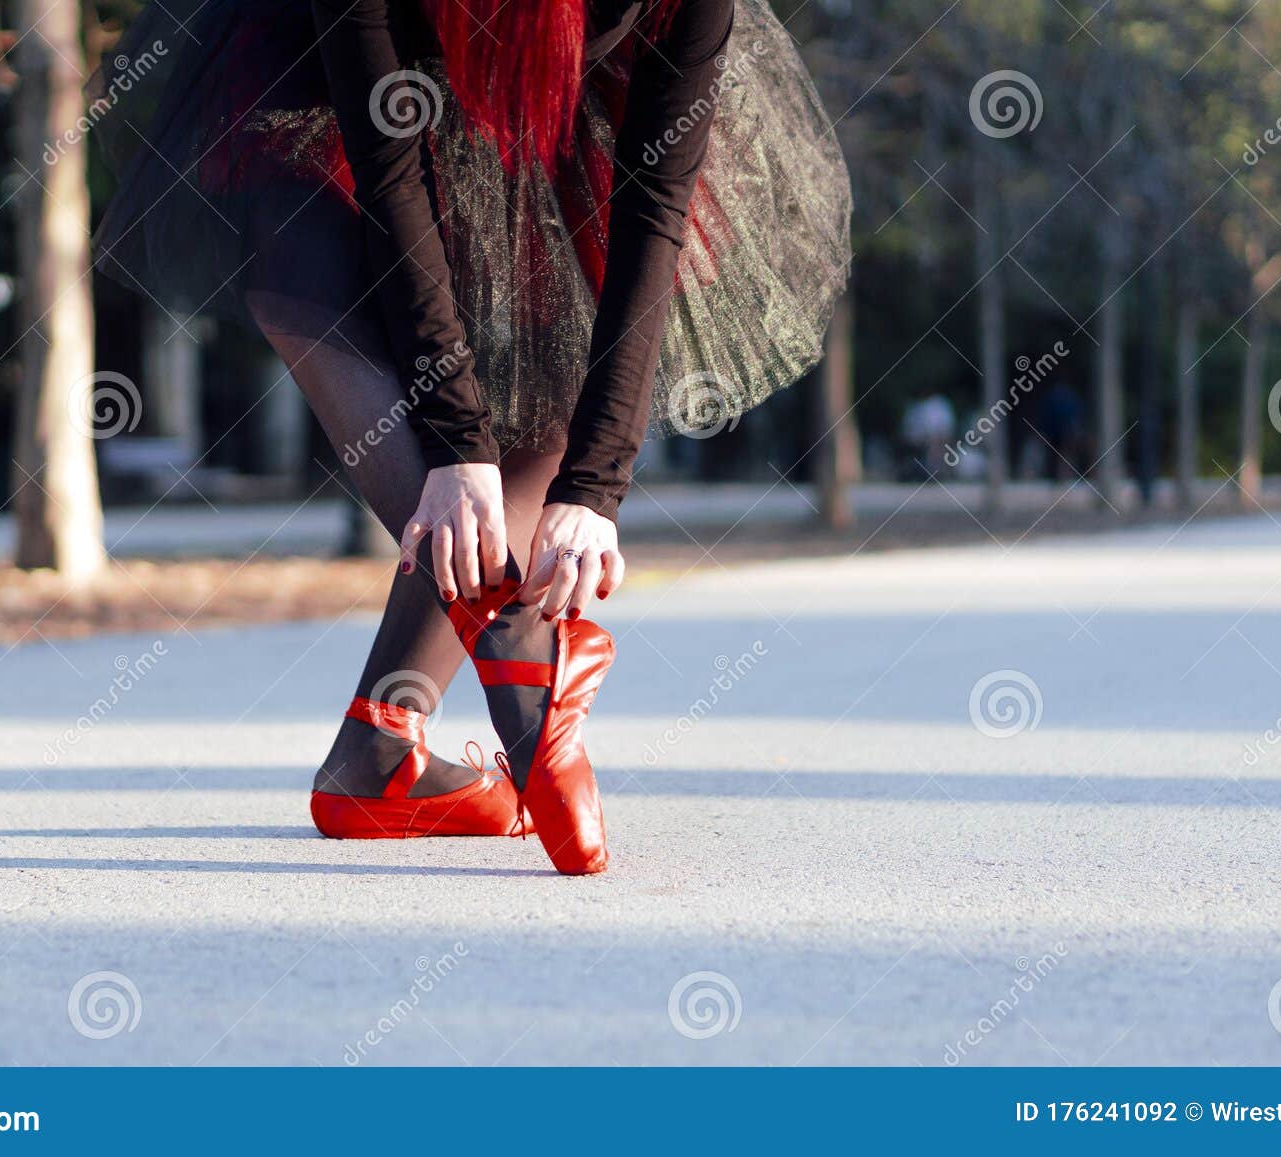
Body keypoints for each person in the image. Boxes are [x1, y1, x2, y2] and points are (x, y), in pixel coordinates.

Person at [89, 0, 851, 874]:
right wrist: (457, 447)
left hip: (578, 109)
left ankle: (380, 750)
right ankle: (512, 657)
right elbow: (390, 170)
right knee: (295, 255)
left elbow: (654, 212)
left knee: (560, 321)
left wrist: (593, 488)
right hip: (348, 85)